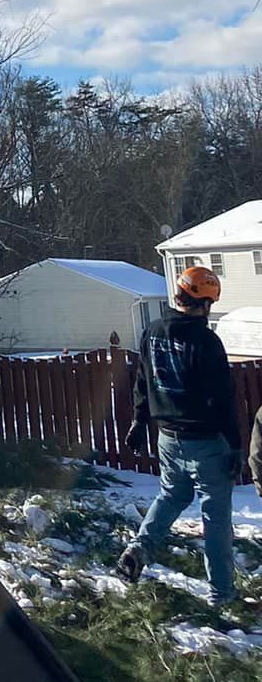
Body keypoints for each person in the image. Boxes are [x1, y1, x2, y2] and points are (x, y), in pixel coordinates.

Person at [116, 263, 242, 613]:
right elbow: (222, 399)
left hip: (167, 437)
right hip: (206, 442)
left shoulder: (153, 331)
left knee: (171, 495)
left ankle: (138, 549)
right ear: (203, 303)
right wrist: (234, 445)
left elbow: (143, 380)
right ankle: (221, 596)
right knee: (215, 518)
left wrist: (139, 422)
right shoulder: (206, 341)